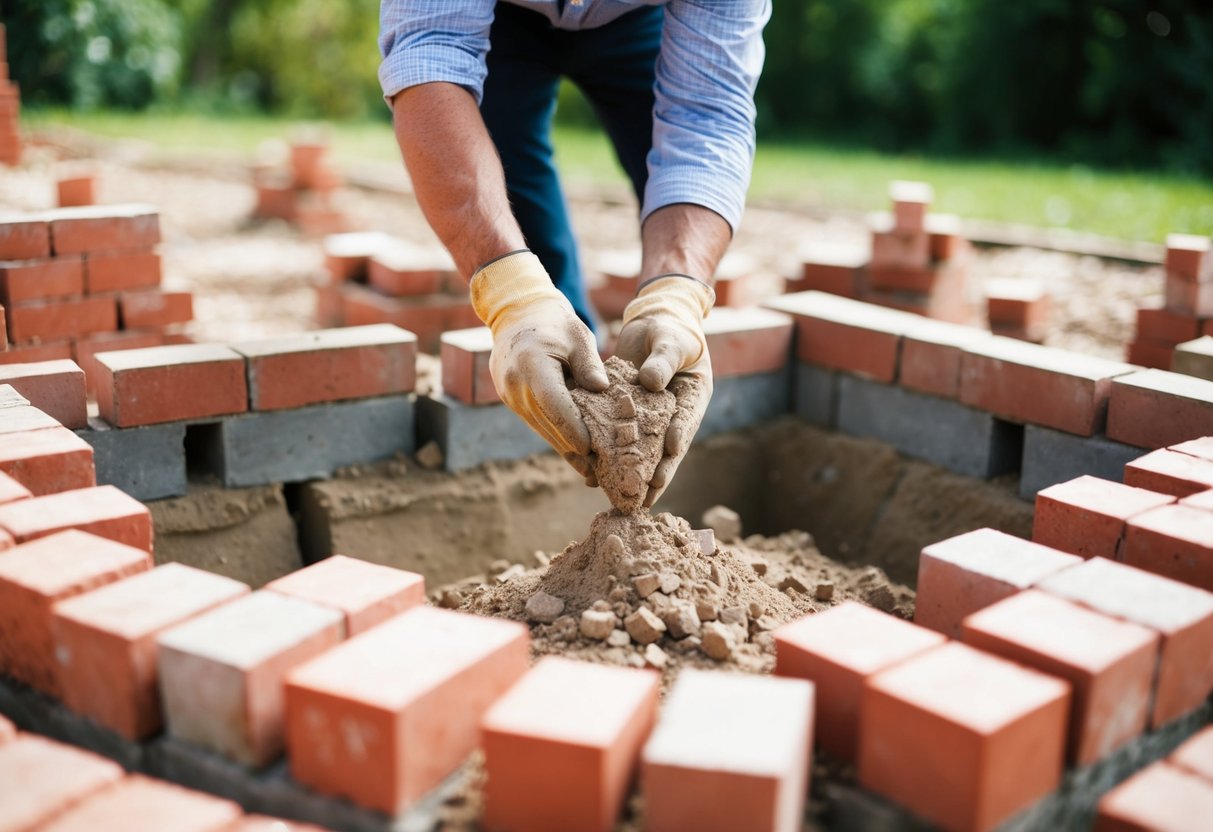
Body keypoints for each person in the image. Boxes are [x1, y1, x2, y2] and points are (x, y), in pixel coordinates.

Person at [379, 1, 770, 508]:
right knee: (518, 211)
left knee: (672, 185)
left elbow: (708, 115)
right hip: (503, 17)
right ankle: (575, 398)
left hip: (643, 16)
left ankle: (602, 414)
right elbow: (430, 57)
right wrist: (512, 295)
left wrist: (676, 293)